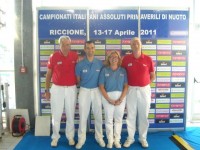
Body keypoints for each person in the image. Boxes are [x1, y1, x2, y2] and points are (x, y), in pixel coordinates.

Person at [122, 37, 156, 148]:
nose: (136, 45)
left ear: (141, 45)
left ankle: (143, 138)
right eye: (133, 43)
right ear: (130, 46)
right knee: (131, 115)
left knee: (144, 115)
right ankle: (130, 138)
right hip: (131, 90)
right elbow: (122, 75)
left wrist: (145, 84)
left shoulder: (148, 59)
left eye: (138, 43)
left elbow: (152, 75)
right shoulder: (126, 59)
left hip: (144, 90)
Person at [45, 36, 78, 147]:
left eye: (68, 44)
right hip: (57, 89)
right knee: (56, 115)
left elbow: (78, 73)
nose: (66, 47)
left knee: (70, 114)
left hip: (71, 89)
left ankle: (70, 137)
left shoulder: (75, 56)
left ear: (70, 45)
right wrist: (46, 90)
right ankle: (55, 137)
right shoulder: (53, 56)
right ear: (60, 45)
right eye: (63, 44)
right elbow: (48, 74)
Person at [75, 40, 105, 149]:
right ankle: (81, 139)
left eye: (92, 48)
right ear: (85, 49)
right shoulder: (79, 64)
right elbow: (78, 80)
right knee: (83, 116)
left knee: (98, 116)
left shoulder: (100, 63)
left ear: (94, 49)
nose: (90, 50)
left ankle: (99, 137)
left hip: (97, 91)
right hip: (84, 91)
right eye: (88, 48)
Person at [99, 51, 128, 149]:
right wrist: (108, 99)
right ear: (108, 59)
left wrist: (121, 99)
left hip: (121, 97)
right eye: (111, 57)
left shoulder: (123, 71)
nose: (114, 58)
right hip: (107, 97)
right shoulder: (104, 70)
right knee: (108, 120)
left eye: (116, 57)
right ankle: (110, 141)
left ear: (119, 59)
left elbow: (126, 86)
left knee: (118, 120)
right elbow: (101, 86)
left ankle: (117, 140)